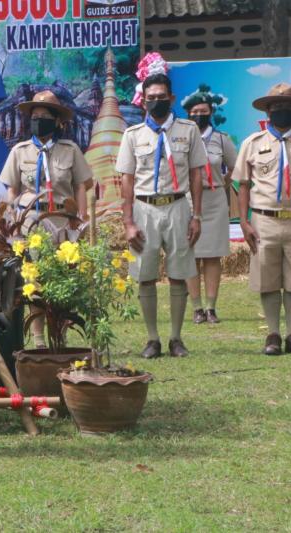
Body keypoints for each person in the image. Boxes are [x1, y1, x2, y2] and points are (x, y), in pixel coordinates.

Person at [115, 71, 207, 358]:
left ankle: (176, 338)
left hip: (178, 205)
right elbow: (126, 181)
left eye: (161, 97)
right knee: (145, 274)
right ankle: (152, 339)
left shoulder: (188, 130)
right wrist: (128, 222)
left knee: (179, 273)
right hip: (144, 208)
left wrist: (197, 216)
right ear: (143, 101)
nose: (156, 102)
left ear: (172, 98)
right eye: (151, 98)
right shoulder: (133, 135)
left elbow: (196, 175)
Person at [237, 83, 291, 355]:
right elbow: (242, 185)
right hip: (264, 220)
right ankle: (273, 335)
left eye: (288, 107)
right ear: (268, 110)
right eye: (276, 107)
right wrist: (244, 220)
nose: (282, 111)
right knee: (267, 278)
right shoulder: (252, 143)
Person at [0, 90, 93, 348]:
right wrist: (11, 225)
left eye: (45, 116)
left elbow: (82, 187)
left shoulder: (70, 150)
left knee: (61, 279)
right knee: (33, 279)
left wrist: (81, 222)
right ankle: (39, 340)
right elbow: (12, 191)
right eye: (35, 116)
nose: (39, 120)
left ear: (57, 120)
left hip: (62, 221)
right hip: (31, 222)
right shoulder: (19, 152)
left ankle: (59, 336)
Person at [181, 86, 237, 324]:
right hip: (187, 199)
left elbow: (235, 167)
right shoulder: (182, 139)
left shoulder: (222, 140)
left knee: (213, 256)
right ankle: (196, 308)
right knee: (190, 254)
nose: (198, 115)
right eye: (194, 111)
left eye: (203, 111)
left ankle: (211, 307)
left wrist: (221, 184)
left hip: (213, 199)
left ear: (210, 112)